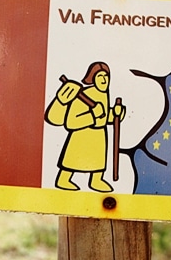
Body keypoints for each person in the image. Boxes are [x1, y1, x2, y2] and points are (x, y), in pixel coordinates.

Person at [44, 61, 125, 193]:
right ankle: (63, 179)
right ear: (93, 78)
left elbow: (103, 117)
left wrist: (115, 114)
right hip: (81, 137)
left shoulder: (104, 94)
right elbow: (71, 122)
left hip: (98, 137)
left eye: (106, 76)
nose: (104, 80)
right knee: (72, 159)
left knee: (98, 160)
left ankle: (96, 179)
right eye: (100, 77)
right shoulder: (83, 95)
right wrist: (92, 115)